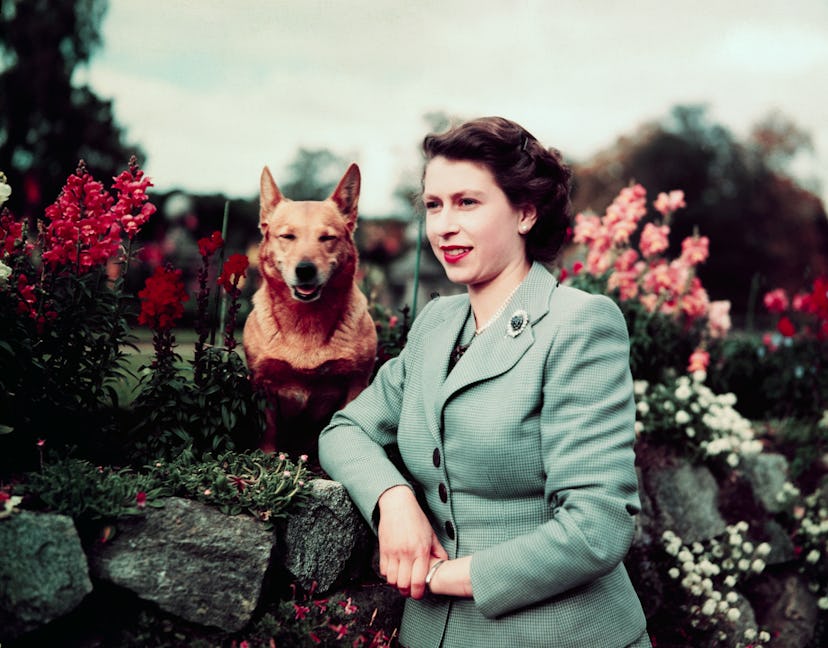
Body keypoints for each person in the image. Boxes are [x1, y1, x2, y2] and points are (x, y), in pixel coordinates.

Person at [318, 116, 650, 648]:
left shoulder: (580, 323)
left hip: (560, 635)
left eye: (467, 203)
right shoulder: (435, 324)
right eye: (433, 205)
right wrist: (394, 498)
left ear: (524, 212)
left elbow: (597, 527)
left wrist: (442, 576)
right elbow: (344, 430)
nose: (443, 225)